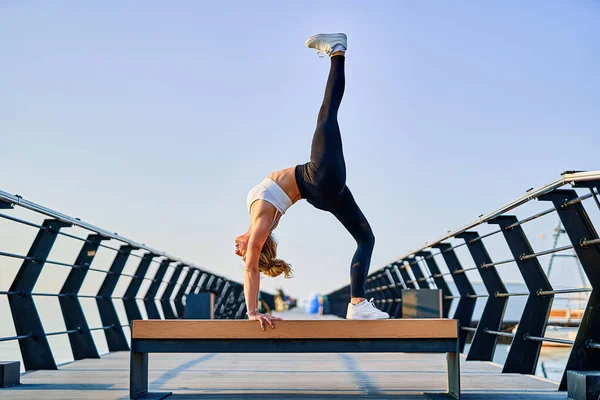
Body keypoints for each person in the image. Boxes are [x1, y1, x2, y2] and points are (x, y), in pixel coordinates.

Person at [235, 33, 389, 330]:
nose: (237, 249)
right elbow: (252, 267)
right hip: (316, 177)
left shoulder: (260, 220)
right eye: (241, 251)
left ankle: (358, 304)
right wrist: (252, 311)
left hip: (320, 193)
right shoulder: (260, 226)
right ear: (257, 244)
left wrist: (251, 241)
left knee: (366, 238)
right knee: (326, 115)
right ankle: (337, 50)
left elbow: (255, 253)